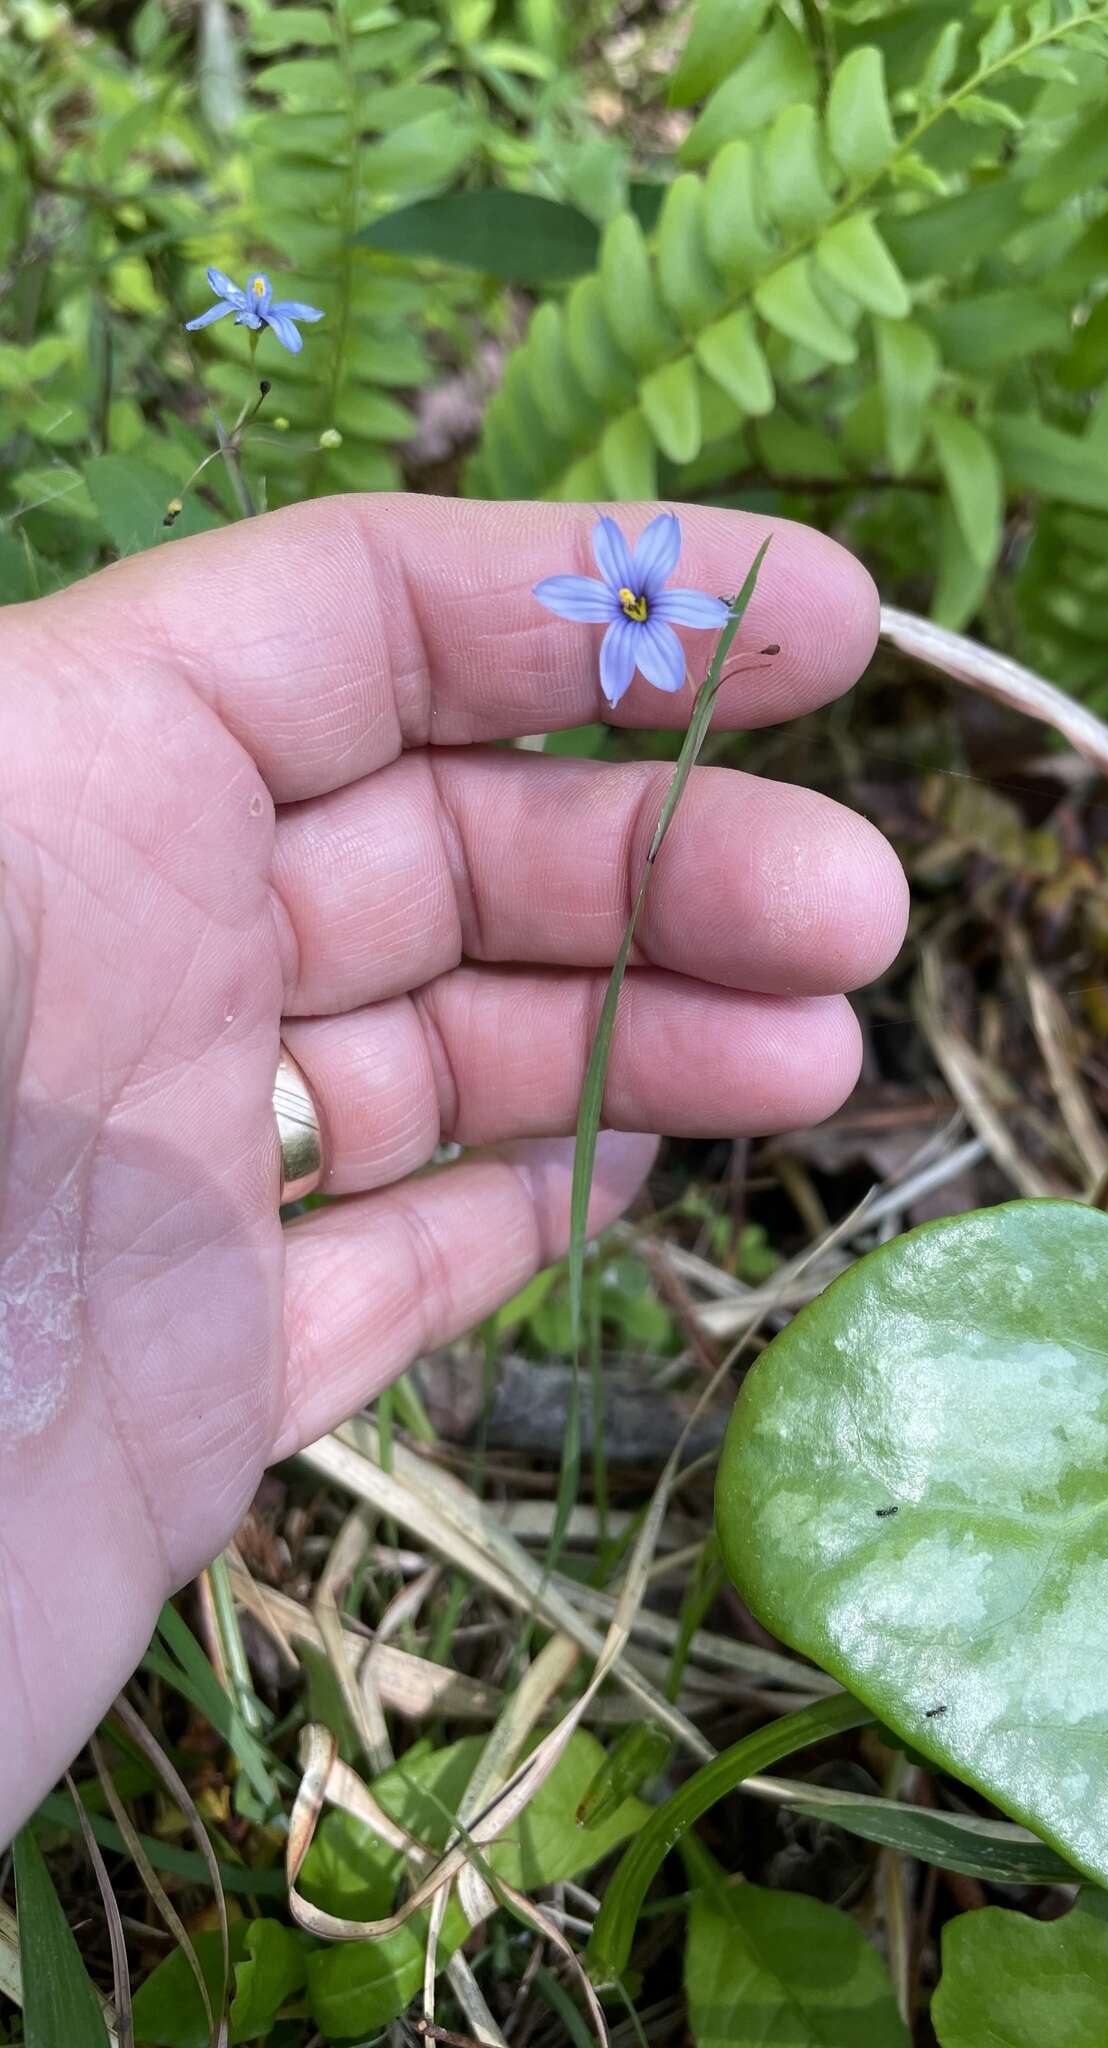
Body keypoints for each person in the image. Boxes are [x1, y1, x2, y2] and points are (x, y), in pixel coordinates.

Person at [0, 494, 907, 1845]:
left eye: (649, 612)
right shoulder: (616, 616)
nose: (639, 615)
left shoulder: (646, 623)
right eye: (630, 606)